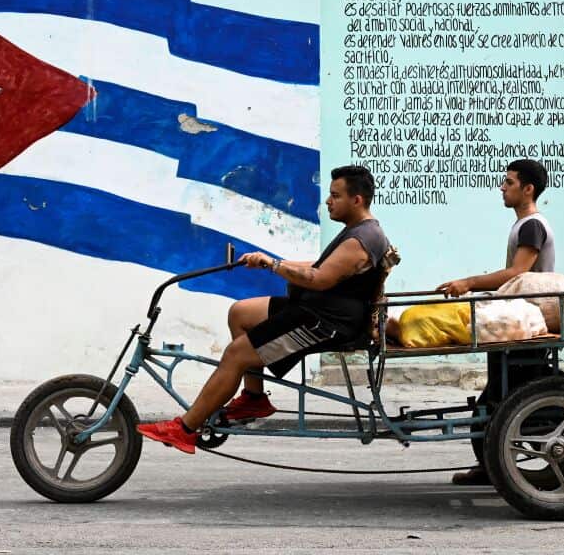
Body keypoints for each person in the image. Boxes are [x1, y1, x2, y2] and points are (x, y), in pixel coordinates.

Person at [137, 165, 390, 454]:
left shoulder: (361, 240)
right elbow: (322, 266)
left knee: (236, 354)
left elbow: (319, 279)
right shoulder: (359, 231)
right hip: (318, 308)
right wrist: (271, 261)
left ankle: (185, 429)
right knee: (241, 313)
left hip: (325, 321)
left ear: (357, 200)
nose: (328, 201)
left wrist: (273, 265)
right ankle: (254, 399)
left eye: (335, 196)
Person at [401, 159, 555, 486]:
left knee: (500, 398)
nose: (502, 187)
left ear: (528, 189)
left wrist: (469, 283)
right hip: (517, 318)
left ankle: (492, 465)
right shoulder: (524, 225)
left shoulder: (532, 225)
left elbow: (517, 273)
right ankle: (491, 465)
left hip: (523, 322)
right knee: (496, 396)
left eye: (509, 182)